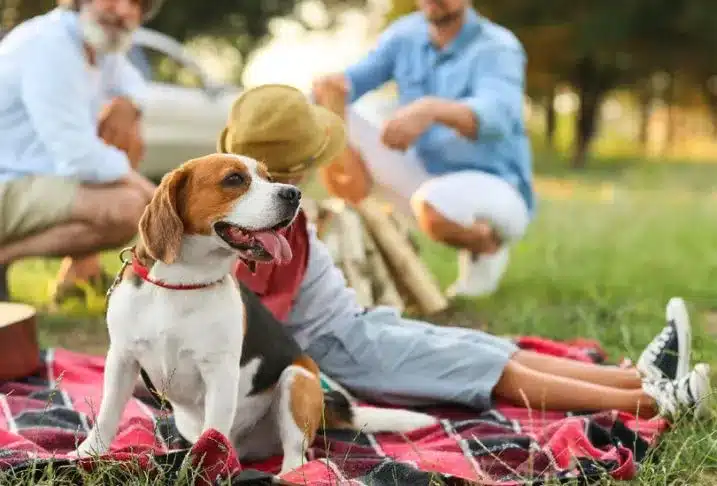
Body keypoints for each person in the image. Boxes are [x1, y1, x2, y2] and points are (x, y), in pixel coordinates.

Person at [217, 84, 711, 422]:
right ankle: (651, 403)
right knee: (486, 370)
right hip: (341, 353)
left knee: (488, 349)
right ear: (296, 170)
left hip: (358, 326)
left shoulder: (276, 213)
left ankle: (638, 377)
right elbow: (257, 322)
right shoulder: (255, 233)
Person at [311, 0, 533, 298]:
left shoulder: (497, 46)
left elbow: (496, 117)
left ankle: (486, 245)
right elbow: (352, 82)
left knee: (434, 201)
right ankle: (352, 213)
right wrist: (329, 87)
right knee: (335, 112)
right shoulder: (405, 34)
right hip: (425, 174)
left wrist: (430, 110)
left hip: (497, 187)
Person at [0, 0, 161, 303]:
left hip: (28, 182)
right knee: (130, 206)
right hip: (6, 183)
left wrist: (128, 106)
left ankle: (75, 277)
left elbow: (135, 84)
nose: (124, 10)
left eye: (137, 4)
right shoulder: (50, 46)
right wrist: (157, 196)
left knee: (126, 135)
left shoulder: (94, 46)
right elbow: (79, 156)